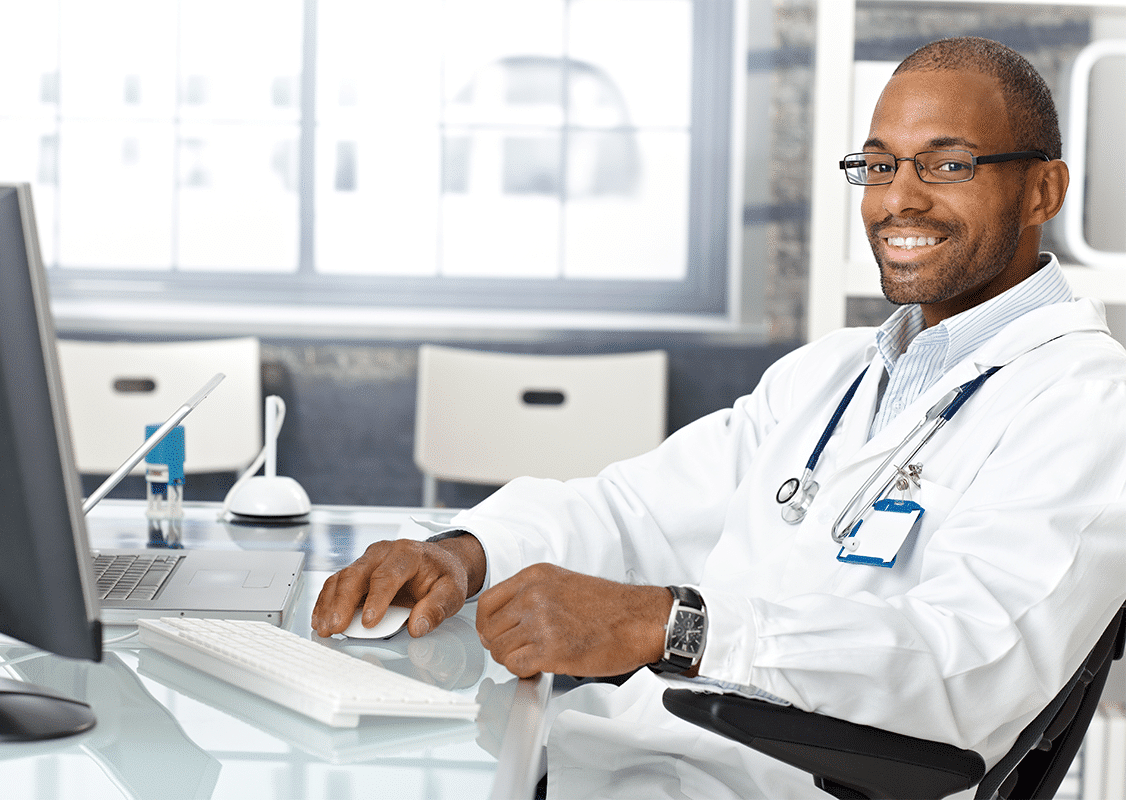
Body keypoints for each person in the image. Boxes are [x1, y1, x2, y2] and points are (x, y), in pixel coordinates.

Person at [313, 37, 1126, 797]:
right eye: (878, 166)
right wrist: (466, 554)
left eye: (948, 164)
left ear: (1042, 190)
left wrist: (677, 628)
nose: (898, 199)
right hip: (631, 757)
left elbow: (973, 664)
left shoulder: (1088, 404)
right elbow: (633, 510)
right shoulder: (833, 372)